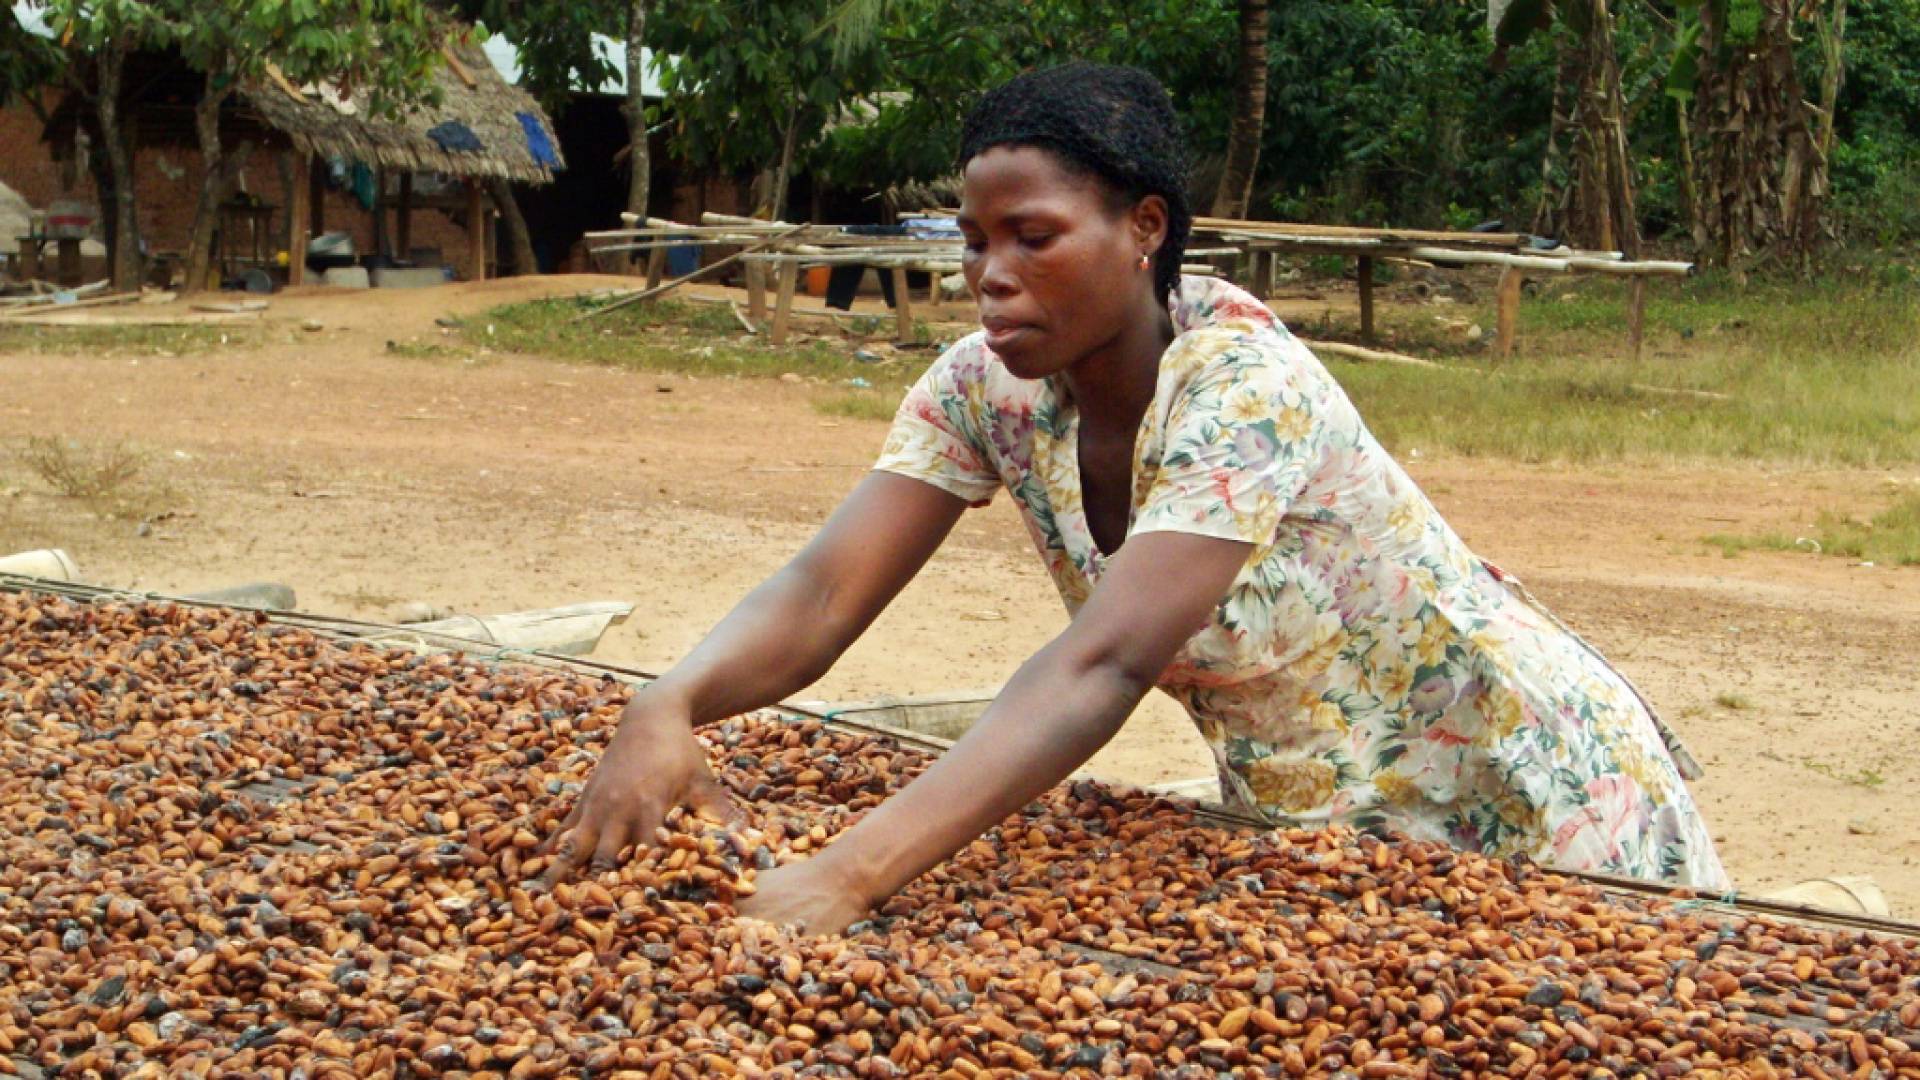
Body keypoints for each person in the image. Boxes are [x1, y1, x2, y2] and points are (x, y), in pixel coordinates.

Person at [543, 63, 1729, 934]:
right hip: (1312, 815)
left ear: (1144, 230)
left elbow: (1100, 665)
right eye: (972, 243)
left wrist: (850, 873)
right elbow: (822, 589)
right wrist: (673, 700)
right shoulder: (986, 391)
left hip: (1516, 783)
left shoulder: (1243, 387)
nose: (991, 276)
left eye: (1033, 237)